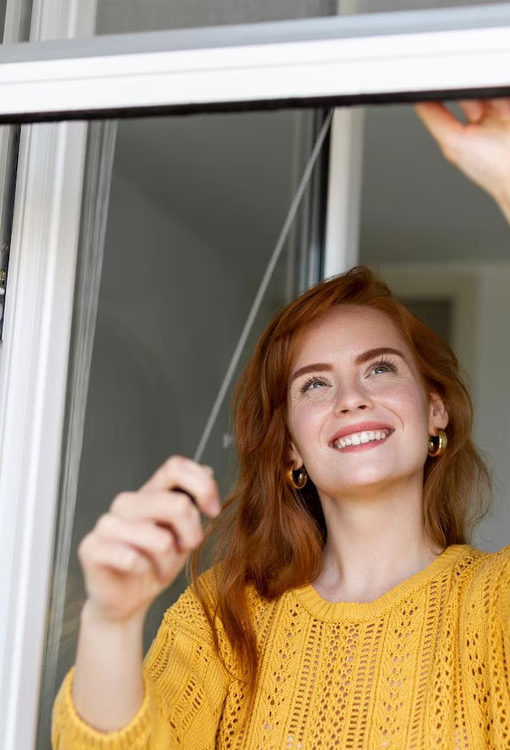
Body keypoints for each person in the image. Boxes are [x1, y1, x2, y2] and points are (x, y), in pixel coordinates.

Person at [52, 99, 510, 749]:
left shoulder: (495, 605)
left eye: (380, 370)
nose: (351, 397)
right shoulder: (223, 616)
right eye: (315, 383)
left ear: (435, 410)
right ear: (291, 446)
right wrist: (110, 620)